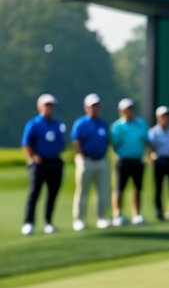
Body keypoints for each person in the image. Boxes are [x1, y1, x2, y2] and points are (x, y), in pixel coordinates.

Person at [21, 93, 66, 235]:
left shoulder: (58, 124)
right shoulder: (33, 123)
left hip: (55, 162)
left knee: (52, 193)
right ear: (39, 107)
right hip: (39, 163)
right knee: (34, 193)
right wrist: (33, 156)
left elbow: (61, 142)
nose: (49, 108)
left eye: (51, 105)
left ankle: (48, 222)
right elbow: (26, 143)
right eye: (47, 105)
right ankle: (29, 223)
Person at [71, 93, 112, 231]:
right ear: (86, 108)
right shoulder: (80, 123)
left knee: (103, 192)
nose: (95, 108)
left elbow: (106, 141)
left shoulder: (103, 123)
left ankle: (102, 218)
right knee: (82, 192)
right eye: (92, 106)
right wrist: (83, 156)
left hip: (101, 161)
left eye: (97, 106)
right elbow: (76, 141)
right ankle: (79, 220)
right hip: (85, 161)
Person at [110, 98, 148, 225]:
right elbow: (114, 144)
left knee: (137, 188)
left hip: (137, 160)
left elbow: (146, 140)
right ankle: (118, 214)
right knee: (119, 189)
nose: (129, 111)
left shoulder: (141, 123)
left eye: (130, 108)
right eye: (126, 109)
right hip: (123, 160)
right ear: (121, 111)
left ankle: (136, 214)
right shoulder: (117, 126)